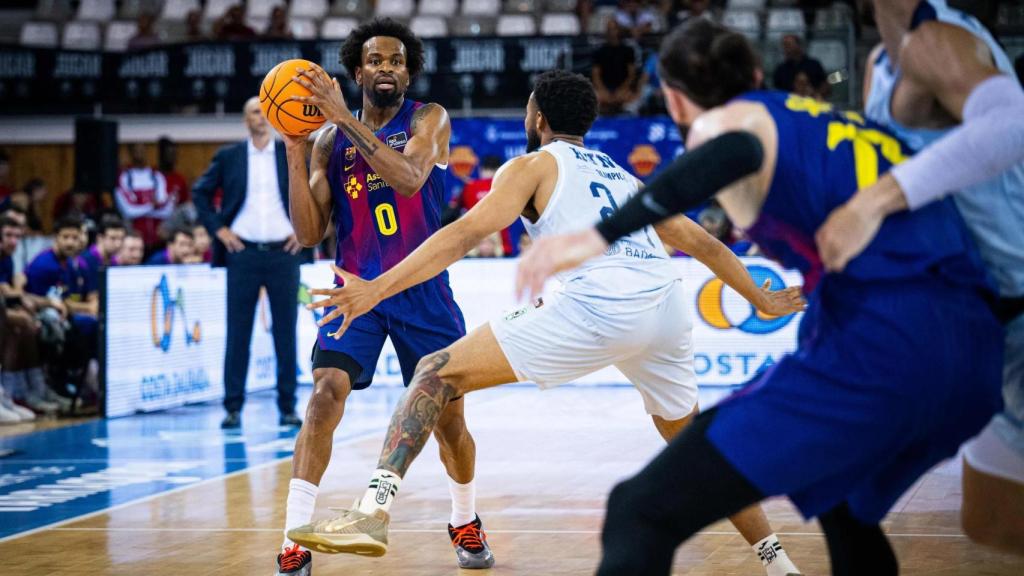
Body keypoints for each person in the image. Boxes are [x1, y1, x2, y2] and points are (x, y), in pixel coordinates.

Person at [515, 20, 1003, 576]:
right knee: (841, 502)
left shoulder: (734, 122)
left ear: (674, 99)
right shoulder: (827, 119)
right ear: (753, 72)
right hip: (976, 352)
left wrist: (601, 233)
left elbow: (734, 150)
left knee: (638, 511)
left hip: (888, 341)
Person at [286, 69, 805, 576]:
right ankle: (778, 563)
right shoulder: (622, 175)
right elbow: (705, 244)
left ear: (537, 116)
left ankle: (373, 510)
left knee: (434, 372)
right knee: (694, 447)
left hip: (600, 303)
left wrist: (376, 287)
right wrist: (759, 297)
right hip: (666, 307)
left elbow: (462, 236)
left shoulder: (531, 165)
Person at [273, 18, 493, 576]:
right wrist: (296, 150)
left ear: (408, 70)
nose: (387, 68)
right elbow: (306, 232)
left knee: (449, 426)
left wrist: (343, 117)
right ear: (357, 70)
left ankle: (463, 518)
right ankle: (294, 535)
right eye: (376, 60)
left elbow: (410, 179)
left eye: (396, 60)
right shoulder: (328, 141)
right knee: (324, 395)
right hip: (356, 294)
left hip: (423, 292)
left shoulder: (429, 118)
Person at [815, 0, 1024, 555]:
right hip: (978, 321)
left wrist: (874, 204)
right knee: (990, 521)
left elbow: (1012, 123)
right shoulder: (881, 59)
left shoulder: (939, 39)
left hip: (1017, 307)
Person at [192, 97, 307, 433]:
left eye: (264, 111)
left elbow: (318, 193)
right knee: (238, 331)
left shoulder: (291, 153)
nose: (260, 117)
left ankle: (287, 406)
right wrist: (219, 230)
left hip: (284, 252)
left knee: (286, 331)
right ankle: (232, 408)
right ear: (245, 120)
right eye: (254, 112)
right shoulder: (230, 156)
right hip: (242, 253)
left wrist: (306, 233)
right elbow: (200, 192)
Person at [26, 214, 101, 410]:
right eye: (65, 237)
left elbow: (71, 299)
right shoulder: (44, 265)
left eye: (74, 238)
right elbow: (51, 303)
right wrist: (83, 308)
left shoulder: (72, 264)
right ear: (56, 238)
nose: (70, 242)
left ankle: (85, 384)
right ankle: (59, 384)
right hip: (41, 320)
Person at [116, 143, 172, 248]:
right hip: (134, 238)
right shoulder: (125, 177)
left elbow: (166, 210)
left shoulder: (157, 176)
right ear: (130, 153)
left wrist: (142, 209)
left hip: (158, 237)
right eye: (136, 151)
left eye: (142, 151)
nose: (139, 154)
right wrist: (151, 207)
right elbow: (127, 211)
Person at [592, 20, 640, 116]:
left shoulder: (628, 50)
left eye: (614, 29)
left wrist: (622, 89)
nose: (611, 32)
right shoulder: (599, 51)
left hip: (623, 88)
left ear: (619, 30)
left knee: (633, 96)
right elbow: (595, 75)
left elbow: (632, 74)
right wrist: (603, 90)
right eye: (609, 29)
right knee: (594, 96)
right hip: (604, 88)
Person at [772, 34, 829, 99]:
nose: (785, 48)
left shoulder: (814, 65)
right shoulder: (780, 69)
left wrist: (817, 94)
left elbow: (825, 86)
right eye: (784, 45)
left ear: (798, 45)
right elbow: (777, 92)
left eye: (788, 44)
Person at [80, 216, 127, 286]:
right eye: (113, 238)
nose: (118, 244)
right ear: (100, 238)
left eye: (121, 239)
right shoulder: (84, 261)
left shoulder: (115, 262)